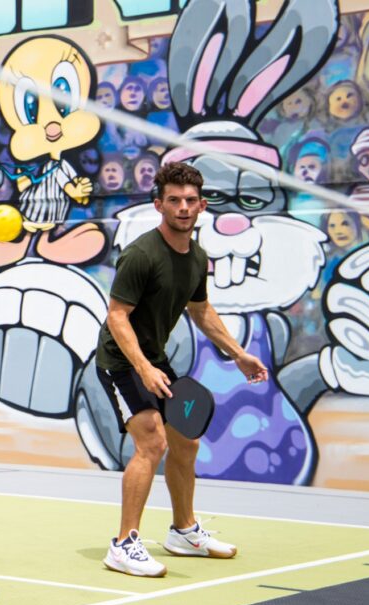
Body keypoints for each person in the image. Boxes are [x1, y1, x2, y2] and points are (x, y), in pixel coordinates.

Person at [95, 162, 269, 578]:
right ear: (159, 205)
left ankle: (184, 531)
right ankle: (123, 544)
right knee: (152, 442)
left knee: (186, 441)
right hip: (121, 361)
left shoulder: (196, 257)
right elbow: (117, 317)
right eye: (174, 200)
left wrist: (237, 352)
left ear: (202, 205)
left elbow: (200, 309)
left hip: (153, 360)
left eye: (190, 200)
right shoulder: (141, 254)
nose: (183, 207)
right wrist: (143, 368)